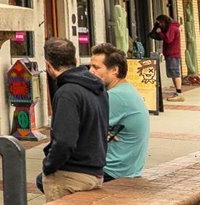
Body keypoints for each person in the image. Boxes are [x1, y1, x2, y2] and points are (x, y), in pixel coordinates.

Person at [38, 36, 107, 200]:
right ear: (75, 59)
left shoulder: (67, 93)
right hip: (94, 172)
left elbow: (64, 142)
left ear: (48, 65)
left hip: (70, 175)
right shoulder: (98, 87)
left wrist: (49, 166)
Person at [89, 43, 149, 181]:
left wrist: (99, 131)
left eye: (96, 67)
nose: (90, 71)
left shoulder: (116, 97)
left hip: (112, 171)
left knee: (48, 178)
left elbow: (80, 131)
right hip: (126, 168)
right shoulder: (125, 89)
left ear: (114, 70)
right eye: (91, 66)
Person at [149, 14, 183, 97]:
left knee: (175, 73)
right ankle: (177, 91)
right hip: (171, 54)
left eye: (160, 22)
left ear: (163, 21)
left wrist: (160, 33)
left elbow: (168, 40)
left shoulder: (172, 28)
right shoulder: (173, 27)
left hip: (172, 54)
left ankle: (179, 92)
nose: (159, 25)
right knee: (173, 73)